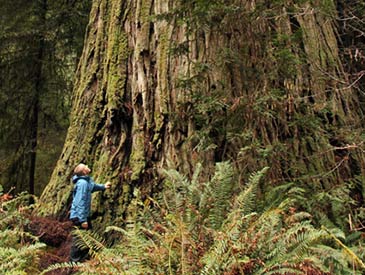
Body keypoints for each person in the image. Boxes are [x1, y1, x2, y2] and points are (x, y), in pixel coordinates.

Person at [69, 163, 111, 262]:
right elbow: (80, 202)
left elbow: (92, 187)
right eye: (86, 166)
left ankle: (82, 258)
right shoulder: (82, 183)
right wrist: (83, 220)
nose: (88, 166)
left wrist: (103, 187)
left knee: (87, 237)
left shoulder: (85, 181)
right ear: (84, 171)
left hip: (82, 215)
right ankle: (74, 261)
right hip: (79, 216)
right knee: (80, 239)